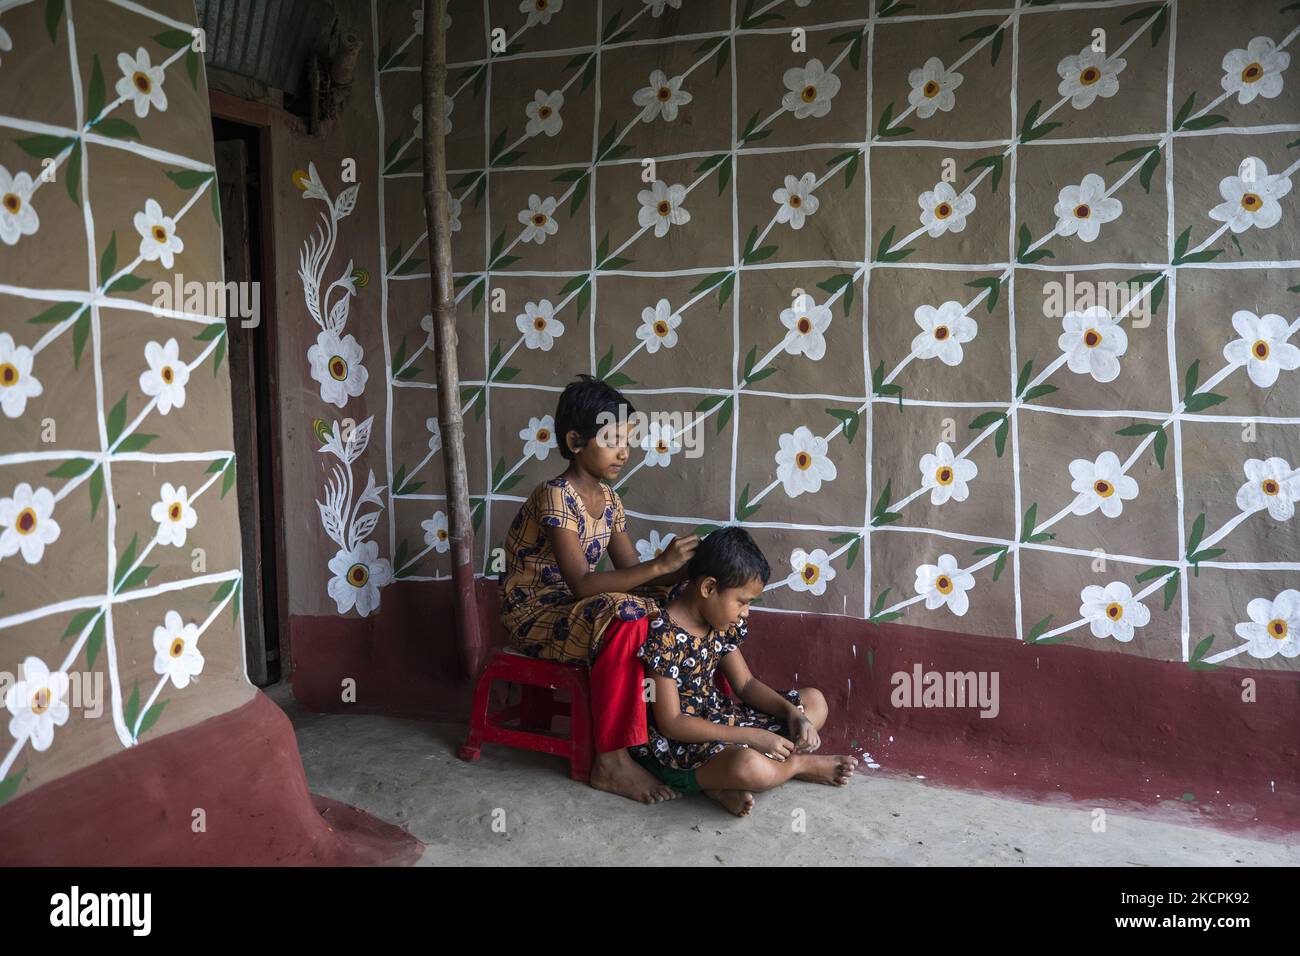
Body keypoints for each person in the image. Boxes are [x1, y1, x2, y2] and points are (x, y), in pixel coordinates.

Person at [499, 374, 699, 803]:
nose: (624, 451)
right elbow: (583, 583)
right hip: (536, 613)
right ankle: (611, 760)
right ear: (575, 441)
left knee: (669, 605)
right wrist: (657, 566)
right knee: (627, 612)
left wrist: (682, 573)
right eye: (612, 440)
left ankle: (674, 737)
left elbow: (632, 571)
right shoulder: (555, 495)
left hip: (576, 610)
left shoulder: (609, 500)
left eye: (628, 439)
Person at [630, 526, 858, 817]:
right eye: (742, 601)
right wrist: (751, 736)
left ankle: (720, 786)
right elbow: (672, 723)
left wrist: (793, 713)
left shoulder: (718, 619)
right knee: (750, 767)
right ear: (709, 588)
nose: (745, 612)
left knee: (814, 702)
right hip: (677, 747)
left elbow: (746, 684)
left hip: (720, 719)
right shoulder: (664, 635)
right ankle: (797, 767)